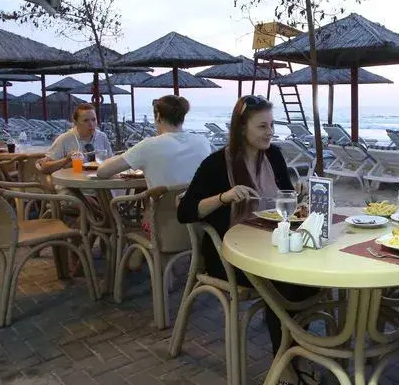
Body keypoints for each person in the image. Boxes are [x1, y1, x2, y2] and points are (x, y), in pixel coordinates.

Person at [177, 95, 316, 385]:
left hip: (272, 242)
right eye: (262, 126)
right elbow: (185, 211)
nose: (270, 132)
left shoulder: (274, 155)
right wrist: (223, 197)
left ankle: (302, 350)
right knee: (284, 281)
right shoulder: (217, 164)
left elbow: (285, 198)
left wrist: (299, 195)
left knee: (312, 276)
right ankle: (285, 362)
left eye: (272, 125)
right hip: (230, 254)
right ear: (242, 128)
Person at [98, 95, 212, 240]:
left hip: (162, 233)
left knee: (145, 213)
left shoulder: (149, 145)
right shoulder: (202, 142)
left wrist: (121, 156)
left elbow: (102, 172)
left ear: (158, 116)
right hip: (200, 228)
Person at [39, 103, 113, 174]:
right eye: (86, 120)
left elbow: (112, 161)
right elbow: (44, 168)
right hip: (73, 181)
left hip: (99, 179)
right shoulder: (65, 139)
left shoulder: (102, 137)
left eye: (94, 120)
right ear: (75, 122)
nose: (91, 124)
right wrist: (66, 160)